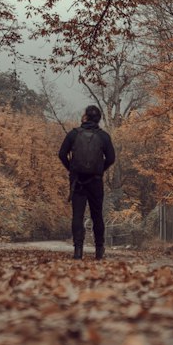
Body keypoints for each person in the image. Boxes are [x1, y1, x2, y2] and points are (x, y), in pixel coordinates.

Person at [58, 105, 115, 260]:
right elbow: (111, 158)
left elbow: (62, 154)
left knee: (77, 215)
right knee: (97, 216)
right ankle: (99, 249)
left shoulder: (74, 134)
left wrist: (71, 168)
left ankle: (78, 250)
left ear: (85, 117)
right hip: (96, 181)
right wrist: (100, 170)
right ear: (99, 119)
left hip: (78, 181)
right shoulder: (104, 137)